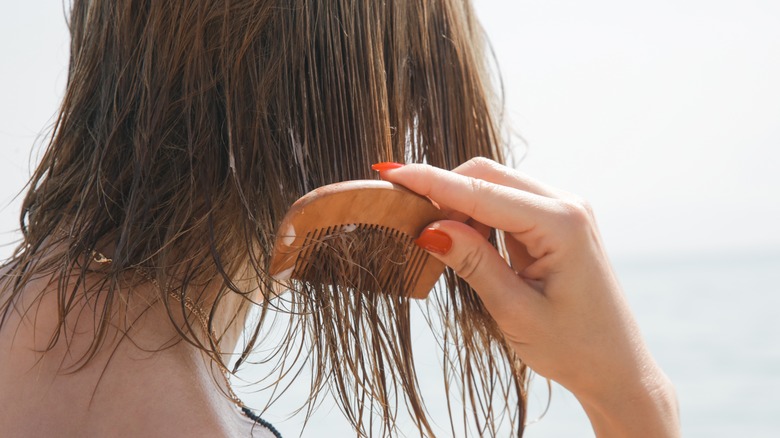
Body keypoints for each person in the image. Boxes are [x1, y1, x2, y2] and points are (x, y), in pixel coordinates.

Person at [0, 1, 679, 436]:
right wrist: (633, 398)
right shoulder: (177, 412)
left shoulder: (33, 327)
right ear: (344, 110)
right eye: (416, 96)